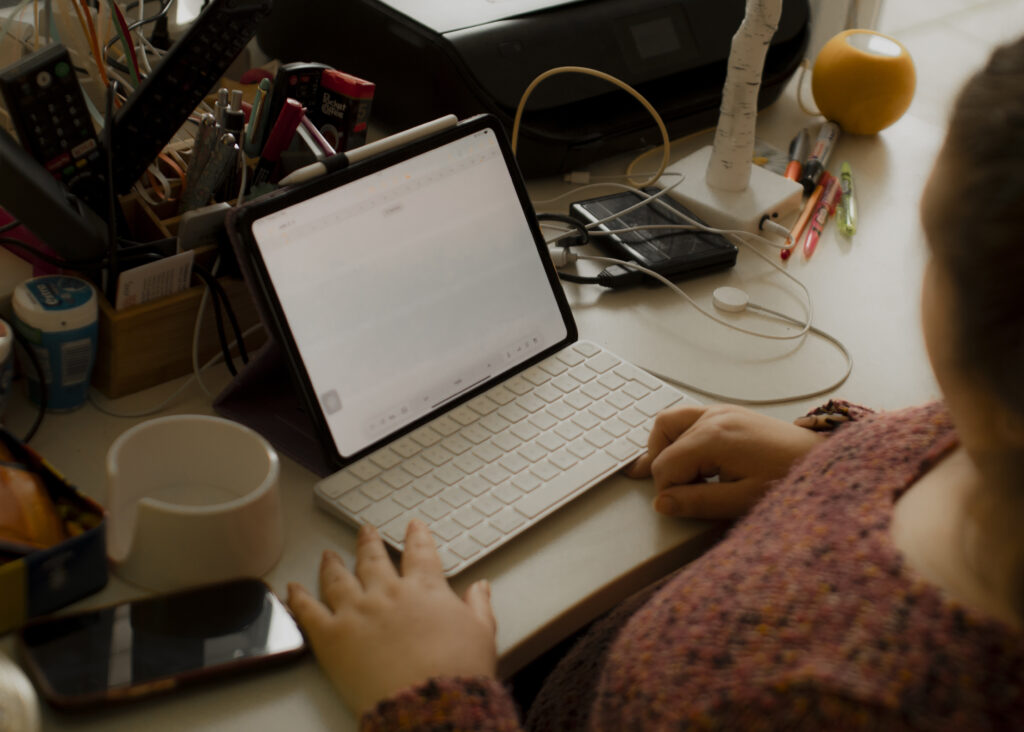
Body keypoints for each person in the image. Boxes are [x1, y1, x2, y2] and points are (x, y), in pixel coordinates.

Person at [286, 35, 1024, 729]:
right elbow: (947, 440)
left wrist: (433, 696)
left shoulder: (828, 700)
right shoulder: (985, 446)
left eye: (932, 249)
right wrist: (834, 464)